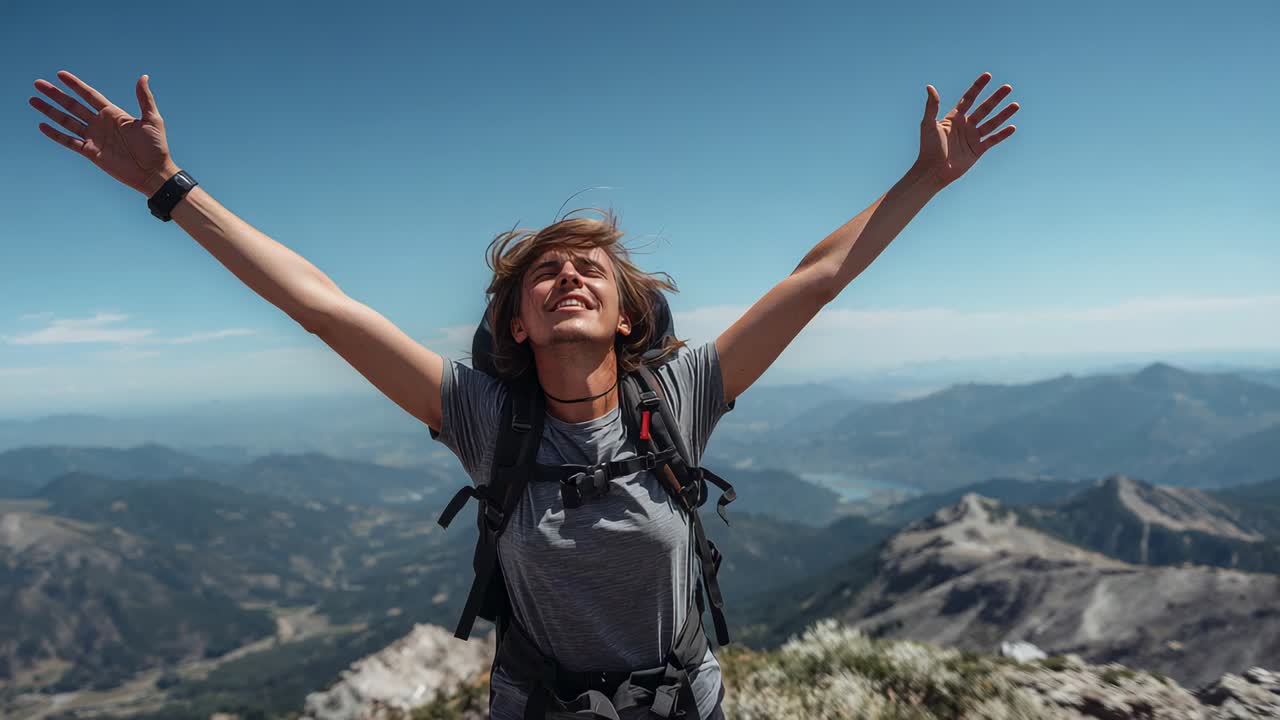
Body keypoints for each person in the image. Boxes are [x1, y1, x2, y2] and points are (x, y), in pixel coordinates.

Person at [28, 69, 1019, 719]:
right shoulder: (483, 420)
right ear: (515, 322)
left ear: (627, 316)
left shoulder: (680, 396)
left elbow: (817, 276)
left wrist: (920, 180)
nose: (569, 279)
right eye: (544, 275)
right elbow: (324, 309)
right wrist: (172, 191)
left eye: (592, 270)